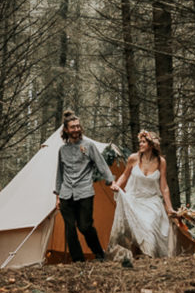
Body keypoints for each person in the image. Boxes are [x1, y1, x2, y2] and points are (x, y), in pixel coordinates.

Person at [108, 130, 181, 258]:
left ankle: (149, 256)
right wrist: (117, 185)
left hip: (151, 201)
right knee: (134, 231)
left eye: (144, 142)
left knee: (149, 227)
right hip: (134, 199)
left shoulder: (160, 161)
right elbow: (125, 175)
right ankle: (137, 258)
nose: (140, 144)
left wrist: (169, 208)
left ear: (152, 144)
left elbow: (164, 187)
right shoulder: (133, 158)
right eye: (140, 142)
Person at [54, 112, 111, 263]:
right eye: (72, 127)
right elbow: (59, 173)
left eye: (78, 126)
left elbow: (101, 164)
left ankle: (99, 254)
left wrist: (111, 180)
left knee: (85, 226)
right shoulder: (62, 150)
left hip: (85, 192)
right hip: (66, 194)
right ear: (66, 130)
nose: (76, 129)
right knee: (70, 228)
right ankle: (78, 260)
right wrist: (57, 196)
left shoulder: (89, 146)